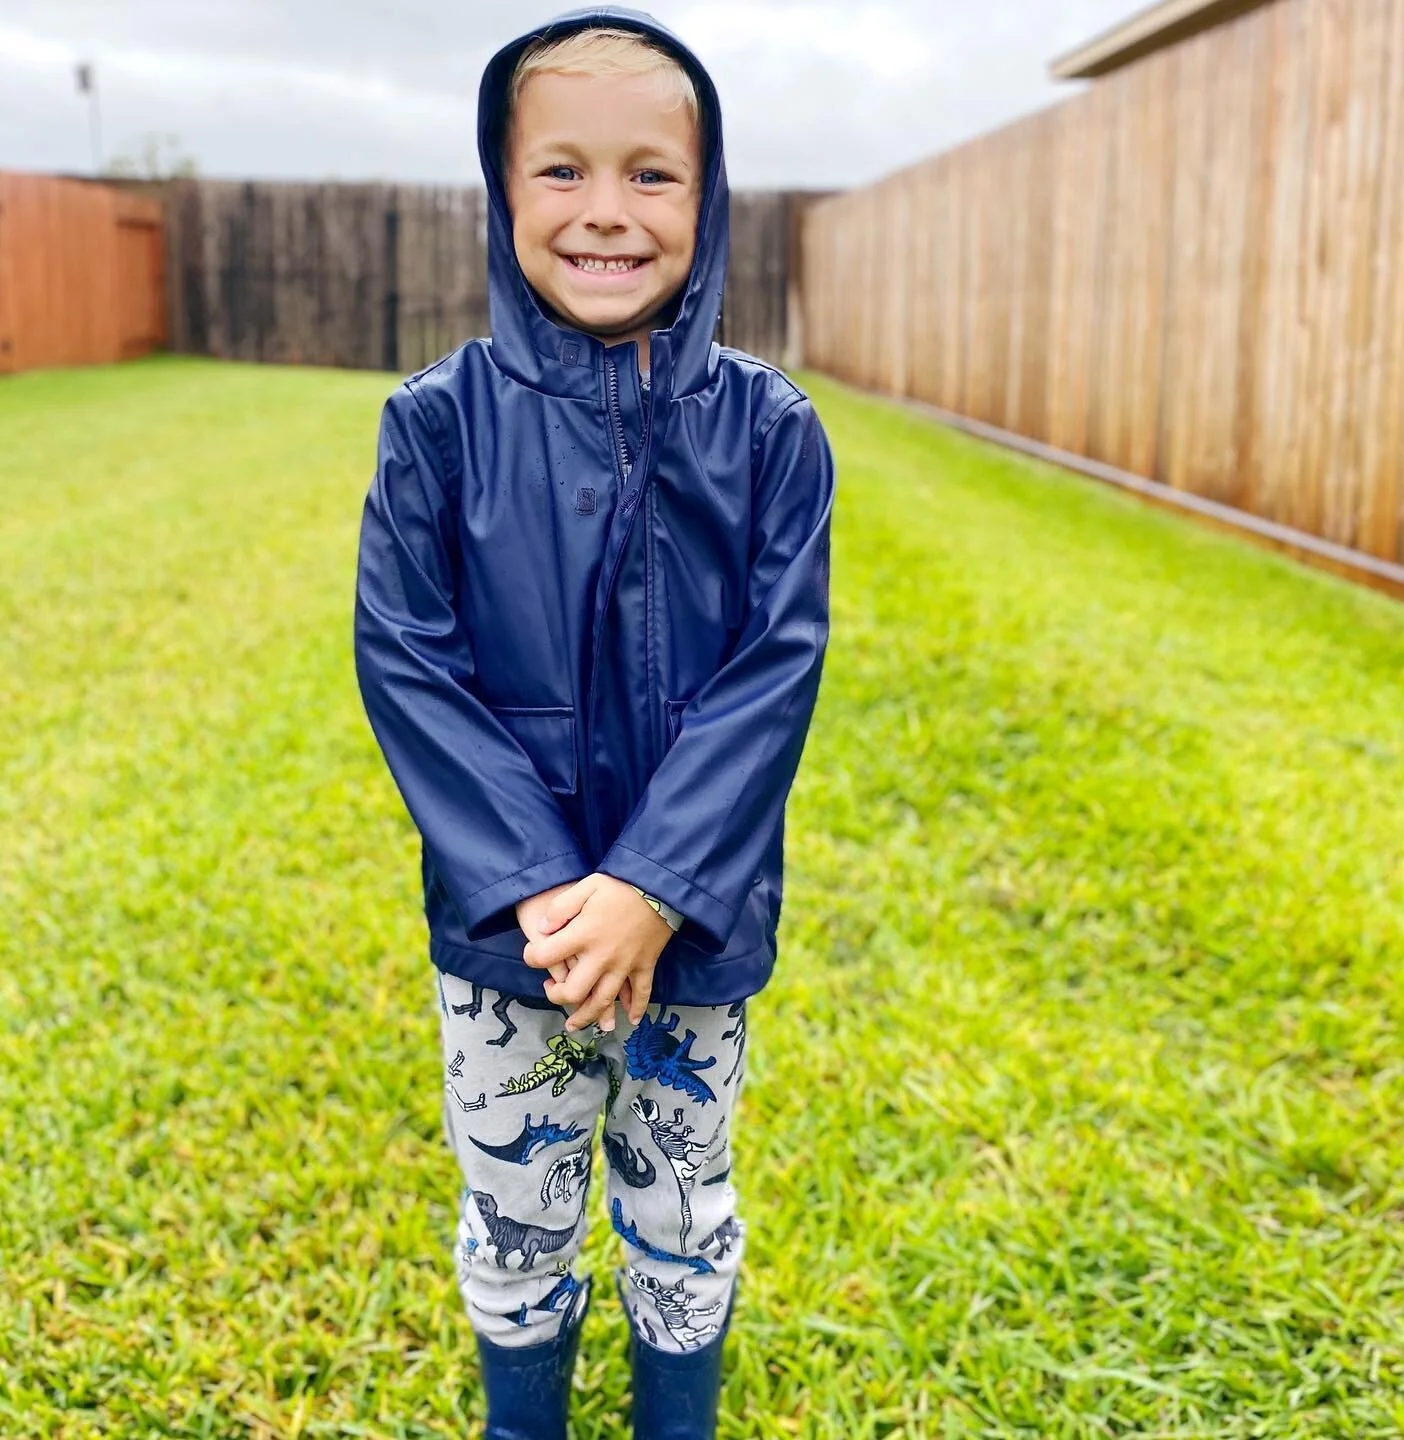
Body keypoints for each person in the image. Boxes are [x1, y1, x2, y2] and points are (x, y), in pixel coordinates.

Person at [353, 7, 833, 1437]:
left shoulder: (772, 433)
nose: (606, 212)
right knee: (519, 1208)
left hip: (694, 936)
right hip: (515, 944)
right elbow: (409, 664)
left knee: (682, 1193)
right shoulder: (435, 426)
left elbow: (773, 671)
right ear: (503, 196)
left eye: (651, 175)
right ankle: (525, 1418)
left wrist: (653, 889)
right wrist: (551, 890)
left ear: (711, 194)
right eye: (562, 172)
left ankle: (675, 1417)